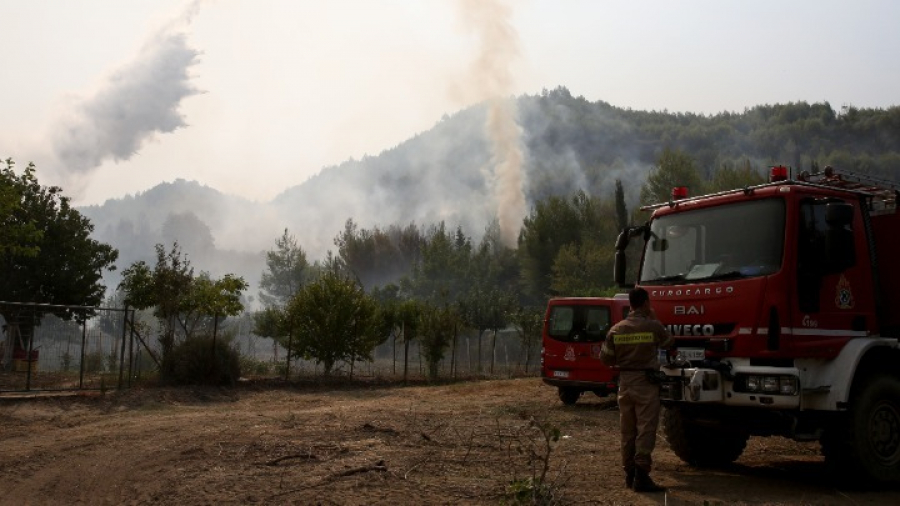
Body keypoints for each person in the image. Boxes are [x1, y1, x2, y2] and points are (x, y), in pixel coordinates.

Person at [600, 287, 674, 493]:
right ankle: (642, 475)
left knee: (628, 430)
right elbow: (669, 342)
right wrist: (654, 318)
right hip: (645, 382)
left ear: (630, 304)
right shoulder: (652, 326)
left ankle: (629, 473)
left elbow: (605, 358)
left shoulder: (616, 329)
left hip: (625, 382)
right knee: (646, 429)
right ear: (645, 303)